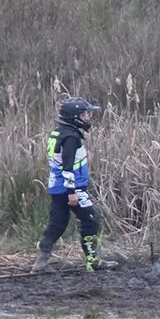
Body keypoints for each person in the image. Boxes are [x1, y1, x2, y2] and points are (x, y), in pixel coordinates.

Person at [32, 97, 118, 273]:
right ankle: (93, 261)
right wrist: (72, 192)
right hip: (71, 188)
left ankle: (40, 263)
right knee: (91, 220)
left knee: (57, 223)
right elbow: (68, 165)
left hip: (57, 187)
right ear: (74, 117)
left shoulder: (58, 133)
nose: (88, 118)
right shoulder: (71, 137)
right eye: (85, 114)